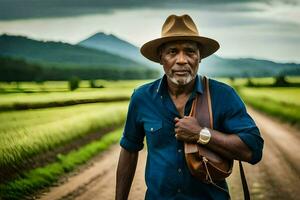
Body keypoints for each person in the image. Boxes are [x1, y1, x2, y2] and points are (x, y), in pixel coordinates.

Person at [116, 14, 264, 200]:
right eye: (172, 52)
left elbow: (253, 150)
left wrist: (202, 134)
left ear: (199, 57)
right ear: (161, 57)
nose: (182, 60)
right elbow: (129, 150)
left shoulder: (223, 95)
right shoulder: (142, 97)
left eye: (189, 52)